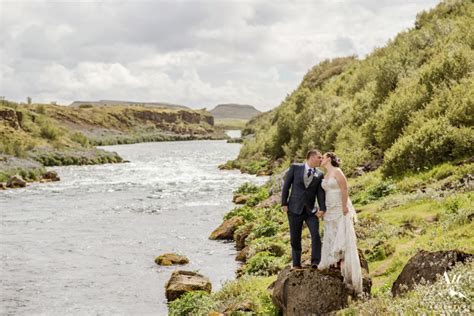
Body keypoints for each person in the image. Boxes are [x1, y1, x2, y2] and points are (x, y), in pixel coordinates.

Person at [318, 152, 363, 294]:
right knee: (330, 232)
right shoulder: (324, 175)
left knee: (341, 232)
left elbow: (344, 189)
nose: (321, 159)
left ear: (329, 159)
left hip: (339, 206)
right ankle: (333, 262)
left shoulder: (337, 171)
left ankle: (342, 263)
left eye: (323, 157)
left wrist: (344, 206)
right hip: (329, 208)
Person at [281, 149, 326, 270]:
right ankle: (296, 263)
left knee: (316, 235)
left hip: (311, 211)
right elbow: (286, 186)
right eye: (319, 157)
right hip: (294, 209)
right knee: (295, 238)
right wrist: (283, 203)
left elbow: (320, 193)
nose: (321, 160)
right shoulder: (295, 168)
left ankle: (315, 262)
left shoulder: (320, 174)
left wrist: (322, 208)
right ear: (311, 157)